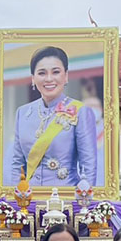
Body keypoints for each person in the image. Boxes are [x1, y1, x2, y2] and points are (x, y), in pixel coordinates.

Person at [11, 46, 98, 187]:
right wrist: (15, 201)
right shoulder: (23, 113)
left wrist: (85, 202)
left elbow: (88, 166)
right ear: (33, 78)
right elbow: (16, 163)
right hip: (29, 199)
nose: (49, 79)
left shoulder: (80, 111)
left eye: (56, 72)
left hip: (67, 197)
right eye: (42, 73)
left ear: (66, 76)